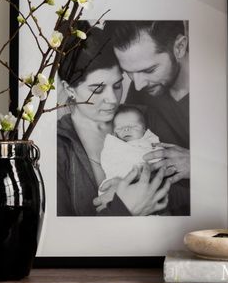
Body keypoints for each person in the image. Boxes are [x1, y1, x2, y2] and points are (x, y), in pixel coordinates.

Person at [56, 24, 170, 217]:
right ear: (69, 89)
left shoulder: (146, 117)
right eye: (97, 89)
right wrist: (123, 207)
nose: (113, 99)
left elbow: (189, 193)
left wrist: (141, 189)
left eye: (117, 85)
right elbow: (59, 234)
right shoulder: (57, 147)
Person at [107, 20, 190, 213]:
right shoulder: (140, 94)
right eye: (129, 72)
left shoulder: (219, 92)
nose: (138, 85)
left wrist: (199, 165)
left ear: (179, 47)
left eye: (149, 70)